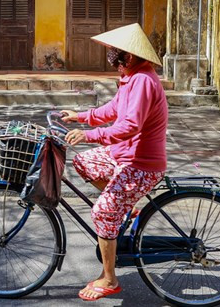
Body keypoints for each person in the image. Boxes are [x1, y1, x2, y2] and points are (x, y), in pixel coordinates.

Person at [60, 23, 168, 302]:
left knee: (102, 212)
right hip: (123, 155)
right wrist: (81, 116)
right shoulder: (131, 77)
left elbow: (130, 125)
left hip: (141, 164)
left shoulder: (143, 81)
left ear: (129, 56)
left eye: (116, 54)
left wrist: (89, 135)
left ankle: (109, 278)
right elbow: (113, 109)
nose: (112, 59)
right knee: (84, 162)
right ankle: (126, 206)